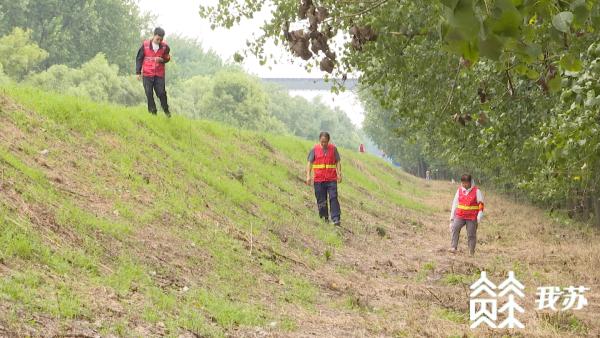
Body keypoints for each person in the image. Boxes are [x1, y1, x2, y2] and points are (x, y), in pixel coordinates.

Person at [306, 132, 342, 226]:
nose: (323, 144)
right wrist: (308, 176)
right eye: (322, 142)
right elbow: (309, 163)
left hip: (331, 179)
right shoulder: (314, 149)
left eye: (325, 142)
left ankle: (336, 219)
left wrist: (339, 174)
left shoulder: (333, 149)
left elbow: (337, 161)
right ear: (319, 140)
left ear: (328, 141)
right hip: (319, 180)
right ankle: (324, 218)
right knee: (321, 200)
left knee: (333, 197)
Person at [136, 27, 171, 117]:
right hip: (147, 74)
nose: (159, 41)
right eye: (157, 39)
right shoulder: (145, 45)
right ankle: (153, 113)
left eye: (161, 39)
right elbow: (139, 58)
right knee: (149, 93)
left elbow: (167, 58)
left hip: (159, 74)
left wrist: (162, 60)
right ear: (154, 35)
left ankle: (166, 111)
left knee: (161, 93)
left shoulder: (165, 47)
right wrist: (138, 72)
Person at [448, 174, 484, 255]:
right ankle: (453, 247)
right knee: (455, 228)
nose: (465, 185)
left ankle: (471, 252)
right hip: (460, 215)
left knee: (471, 234)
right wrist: (452, 218)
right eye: (463, 183)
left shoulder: (477, 191)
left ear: (470, 182)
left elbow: (481, 205)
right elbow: (455, 204)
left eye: (466, 183)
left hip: (472, 217)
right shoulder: (459, 190)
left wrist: (479, 216)